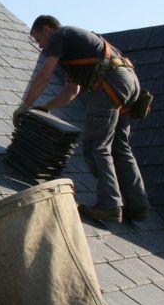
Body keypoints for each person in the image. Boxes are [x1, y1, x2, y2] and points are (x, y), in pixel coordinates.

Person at [17, 15, 149, 223]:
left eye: (38, 39)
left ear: (47, 29)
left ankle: (110, 205)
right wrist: (45, 107)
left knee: (96, 146)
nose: (40, 46)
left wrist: (24, 106)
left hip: (110, 85)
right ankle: (137, 205)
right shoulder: (76, 46)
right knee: (120, 148)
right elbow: (72, 91)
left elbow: (44, 76)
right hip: (129, 83)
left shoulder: (59, 35)